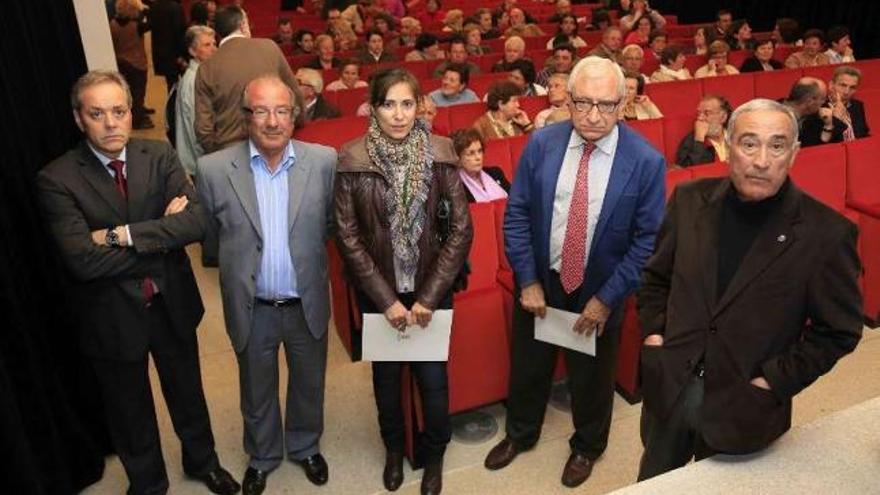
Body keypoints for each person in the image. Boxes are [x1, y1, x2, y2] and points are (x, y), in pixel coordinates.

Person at [636, 98, 863, 480]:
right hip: (671, 382)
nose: (761, 160)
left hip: (745, 400)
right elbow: (656, 278)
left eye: (776, 146)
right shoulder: (689, 201)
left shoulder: (827, 234)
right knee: (655, 480)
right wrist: (656, 336)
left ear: (793, 154)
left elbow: (838, 331)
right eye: (749, 143)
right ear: (727, 145)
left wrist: (773, 379)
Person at [37, 70, 240, 495]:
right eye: (98, 114)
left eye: (119, 111)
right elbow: (83, 262)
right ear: (79, 119)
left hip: (172, 303)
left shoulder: (159, 155)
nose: (111, 123)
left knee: (188, 392)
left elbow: (197, 223)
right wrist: (161, 235)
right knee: (129, 410)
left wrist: (119, 235)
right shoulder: (57, 179)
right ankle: (147, 484)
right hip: (110, 315)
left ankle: (203, 462)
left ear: (131, 112)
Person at [486, 55, 666, 489]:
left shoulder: (645, 161)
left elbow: (647, 242)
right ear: (566, 100)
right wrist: (526, 280)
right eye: (581, 102)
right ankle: (520, 434)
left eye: (605, 104)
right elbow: (517, 215)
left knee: (591, 380)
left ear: (623, 104)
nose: (591, 115)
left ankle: (587, 447)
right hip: (542, 282)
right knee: (529, 368)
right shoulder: (542, 144)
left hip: (601, 288)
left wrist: (607, 300)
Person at [334, 68, 473, 495]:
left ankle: (434, 458)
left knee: (433, 382)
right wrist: (387, 301)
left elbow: (460, 231)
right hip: (382, 294)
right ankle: (394, 451)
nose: (398, 115)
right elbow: (348, 236)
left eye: (407, 104)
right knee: (387, 382)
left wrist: (429, 297)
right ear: (373, 108)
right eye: (389, 104)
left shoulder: (442, 151)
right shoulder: (352, 158)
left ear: (419, 106)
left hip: (431, 289)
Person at [197, 76, 337, 495]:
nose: (272, 121)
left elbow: (331, 225)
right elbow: (210, 236)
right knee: (255, 388)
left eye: (282, 110)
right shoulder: (214, 169)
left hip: (304, 299)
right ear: (246, 117)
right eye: (261, 110)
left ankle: (305, 445)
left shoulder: (324, 161)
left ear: (296, 116)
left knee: (309, 381)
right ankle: (262, 456)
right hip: (252, 304)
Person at [194, 5, 298, 154]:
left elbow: (203, 128)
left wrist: (219, 154)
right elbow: (295, 98)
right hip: (272, 147)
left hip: (228, 152)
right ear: (243, 24)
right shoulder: (270, 48)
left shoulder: (206, 68)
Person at [175, 25, 217, 178]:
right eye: (207, 45)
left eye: (214, 43)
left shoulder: (203, 75)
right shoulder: (193, 82)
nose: (214, 49)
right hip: (202, 162)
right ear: (192, 52)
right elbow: (197, 130)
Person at [109, 0, 152, 130]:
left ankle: (133, 113)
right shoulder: (138, 26)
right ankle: (137, 120)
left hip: (120, 63)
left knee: (126, 93)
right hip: (137, 63)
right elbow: (154, 19)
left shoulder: (112, 24)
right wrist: (143, 8)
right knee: (138, 92)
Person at [782, 77, 847, 147]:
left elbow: (829, 149)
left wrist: (830, 124)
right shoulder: (774, 117)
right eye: (822, 99)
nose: (824, 103)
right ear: (810, 101)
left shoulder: (816, 116)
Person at [451, 128, 510, 202]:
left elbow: (516, 198)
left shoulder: (495, 173)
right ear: (458, 158)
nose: (478, 157)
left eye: (480, 151)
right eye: (471, 153)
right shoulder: (455, 186)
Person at [675, 95, 732, 167]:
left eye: (707, 113)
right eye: (698, 113)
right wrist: (699, 140)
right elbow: (686, 172)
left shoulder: (735, 135)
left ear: (723, 117)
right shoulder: (690, 140)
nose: (700, 118)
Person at [149, 0, 187, 93]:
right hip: (176, 54)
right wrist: (182, 55)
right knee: (185, 84)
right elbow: (179, 32)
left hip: (162, 54)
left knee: (171, 86)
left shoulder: (154, 7)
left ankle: (172, 106)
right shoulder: (175, 7)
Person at [828, 66, 870, 140]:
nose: (847, 92)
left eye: (852, 87)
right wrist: (835, 118)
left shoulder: (857, 105)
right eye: (843, 85)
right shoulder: (820, 107)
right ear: (831, 85)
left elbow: (864, 133)